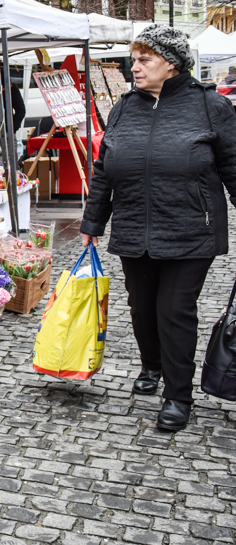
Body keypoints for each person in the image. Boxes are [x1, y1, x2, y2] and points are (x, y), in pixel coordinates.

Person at [81, 24, 236, 432]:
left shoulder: (210, 106)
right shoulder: (123, 108)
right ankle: (151, 365)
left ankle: (178, 397)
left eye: (144, 60)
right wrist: (93, 220)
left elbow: (233, 166)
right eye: (133, 60)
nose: (134, 67)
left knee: (175, 311)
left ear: (171, 63)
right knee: (141, 307)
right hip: (134, 227)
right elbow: (103, 169)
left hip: (191, 229)